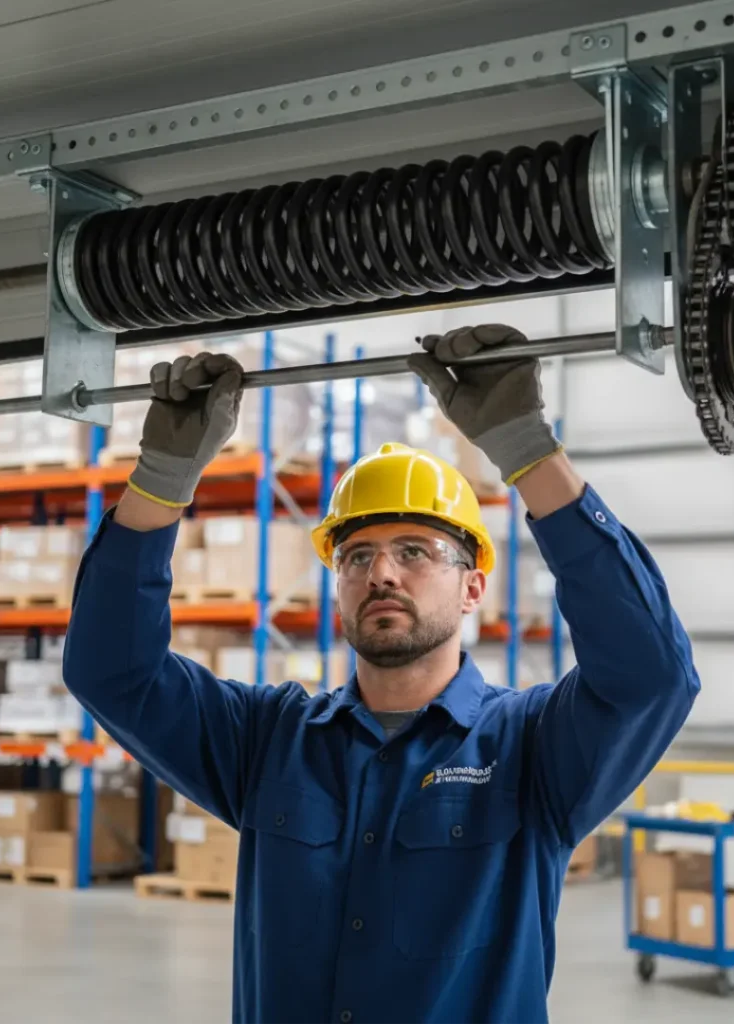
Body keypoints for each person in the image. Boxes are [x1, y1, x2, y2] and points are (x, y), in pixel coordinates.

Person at [63, 324, 700, 1024]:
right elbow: (113, 671)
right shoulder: (268, 741)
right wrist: (160, 480)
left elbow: (651, 676)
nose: (382, 573)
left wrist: (528, 448)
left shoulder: (532, 748)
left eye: (415, 551)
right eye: (357, 557)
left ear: (472, 588)